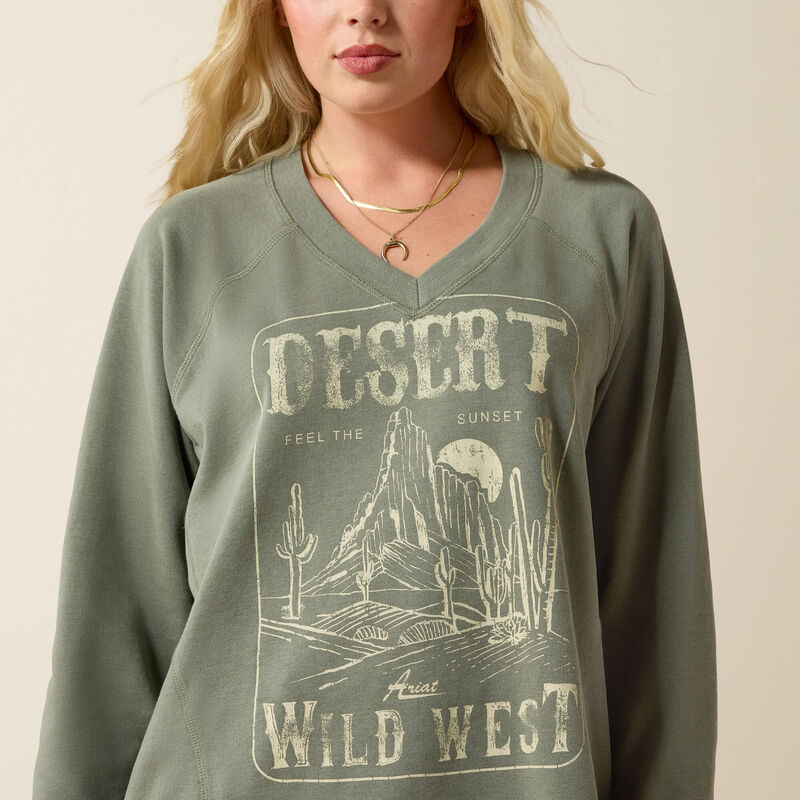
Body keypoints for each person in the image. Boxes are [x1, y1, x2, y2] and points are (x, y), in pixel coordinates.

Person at [32, 1, 718, 798]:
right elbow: (114, 608)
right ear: (277, 11)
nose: (364, 12)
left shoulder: (600, 234)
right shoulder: (191, 248)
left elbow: (654, 594)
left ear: (467, 8)